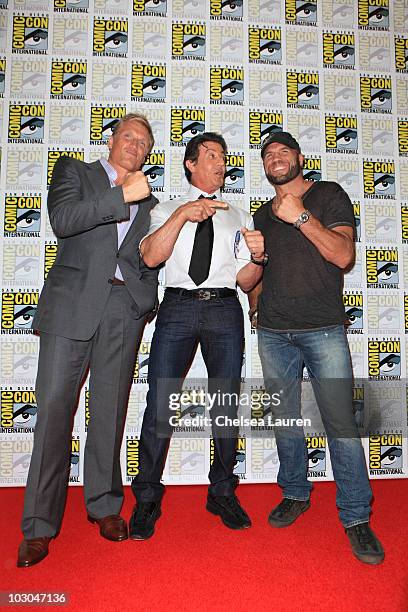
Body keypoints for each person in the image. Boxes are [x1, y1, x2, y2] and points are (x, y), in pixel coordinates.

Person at [17, 113, 159, 567]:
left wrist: (143, 301)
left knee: (109, 413)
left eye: (144, 142)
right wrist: (121, 195)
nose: (135, 145)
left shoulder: (150, 199)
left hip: (123, 309)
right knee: (54, 411)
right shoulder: (74, 170)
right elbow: (63, 219)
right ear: (111, 139)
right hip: (72, 304)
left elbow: (144, 257)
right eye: (129, 136)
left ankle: (104, 505)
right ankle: (39, 527)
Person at [250, 131, 384, 565]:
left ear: (299, 158)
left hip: (323, 329)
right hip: (273, 332)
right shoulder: (261, 215)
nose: (275, 158)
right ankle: (294, 492)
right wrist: (255, 308)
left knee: (340, 425)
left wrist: (302, 217)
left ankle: (356, 516)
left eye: (283, 151)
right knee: (286, 420)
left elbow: (344, 255)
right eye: (268, 154)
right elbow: (262, 273)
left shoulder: (327, 194)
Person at [129, 132, 267, 539]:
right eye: (210, 155)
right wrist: (183, 215)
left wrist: (259, 256)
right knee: (160, 402)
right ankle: (148, 497)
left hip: (226, 307)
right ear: (190, 164)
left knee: (225, 401)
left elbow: (246, 280)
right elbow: (152, 256)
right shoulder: (165, 209)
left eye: (223, 157)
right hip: (177, 307)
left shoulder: (239, 215)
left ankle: (222, 490)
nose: (220, 163)